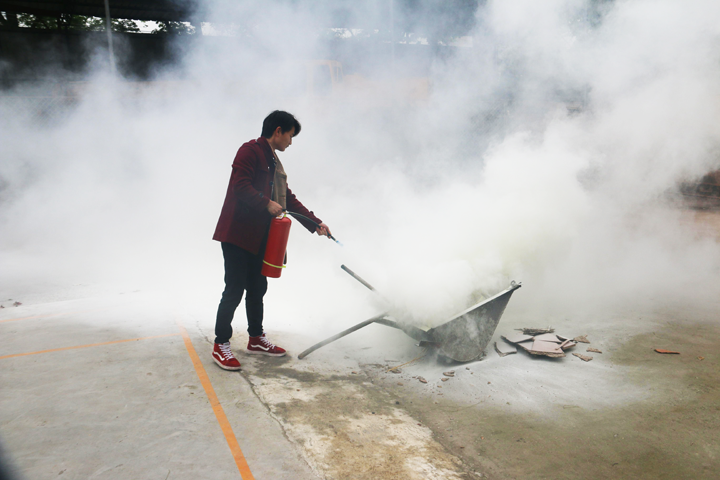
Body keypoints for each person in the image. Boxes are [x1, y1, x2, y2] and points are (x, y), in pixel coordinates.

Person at [211, 111, 331, 370]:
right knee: (234, 290)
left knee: (257, 288)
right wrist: (266, 203)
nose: (291, 141)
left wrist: (315, 223)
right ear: (278, 131)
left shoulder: (273, 162)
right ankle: (221, 344)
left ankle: (256, 338)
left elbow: (288, 198)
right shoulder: (249, 151)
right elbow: (239, 186)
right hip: (237, 234)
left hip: (259, 237)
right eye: (290, 135)